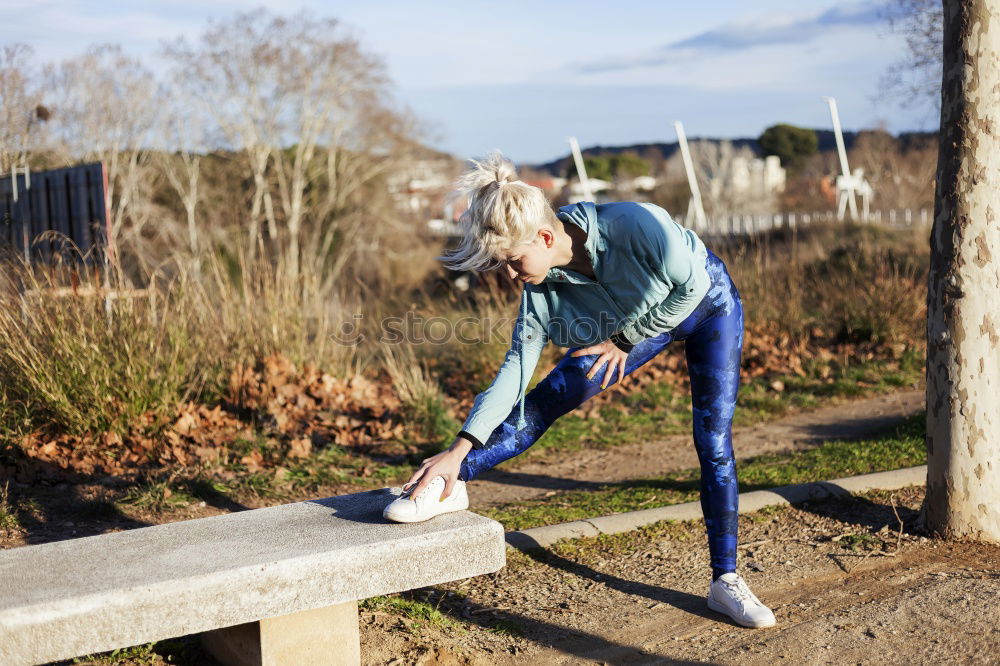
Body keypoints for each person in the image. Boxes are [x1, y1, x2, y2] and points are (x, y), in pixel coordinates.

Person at [382, 151, 776, 629]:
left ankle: (725, 581)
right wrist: (458, 448)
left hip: (707, 303)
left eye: (512, 262)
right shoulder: (540, 289)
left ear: (545, 238)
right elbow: (515, 371)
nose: (510, 276)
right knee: (549, 397)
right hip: (634, 328)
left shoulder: (636, 222)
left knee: (712, 441)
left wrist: (624, 341)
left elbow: (690, 287)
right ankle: (450, 483)